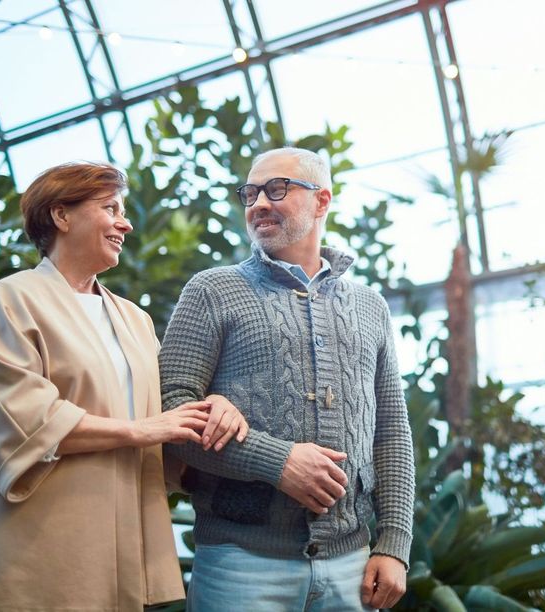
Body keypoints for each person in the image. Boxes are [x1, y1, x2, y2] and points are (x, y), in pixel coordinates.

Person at [0, 161, 248, 611]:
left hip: (124, 540)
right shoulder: (14, 297)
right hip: (37, 539)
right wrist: (141, 430)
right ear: (60, 216)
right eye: (110, 208)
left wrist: (217, 405)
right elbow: (22, 418)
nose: (125, 222)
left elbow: (170, 411)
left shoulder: (134, 319)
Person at [159, 147, 415, 611]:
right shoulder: (213, 290)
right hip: (239, 563)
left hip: (352, 564)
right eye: (250, 193)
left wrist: (394, 542)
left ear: (322, 201)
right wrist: (279, 462)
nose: (259, 203)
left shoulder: (370, 307)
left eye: (277, 189)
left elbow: (392, 431)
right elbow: (170, 411)